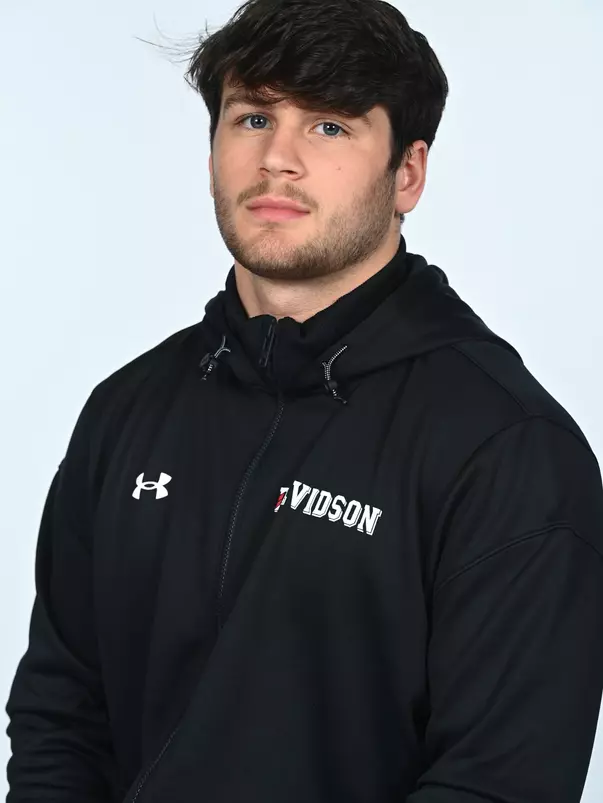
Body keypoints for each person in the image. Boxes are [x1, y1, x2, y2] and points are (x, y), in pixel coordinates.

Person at [6, 0, 603, 801]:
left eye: (329, 126)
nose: (276, 159)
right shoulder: (127, 409)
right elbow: (60, 713)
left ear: (408, 173)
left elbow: (499, 781)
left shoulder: (504, 446)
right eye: (252, 117)